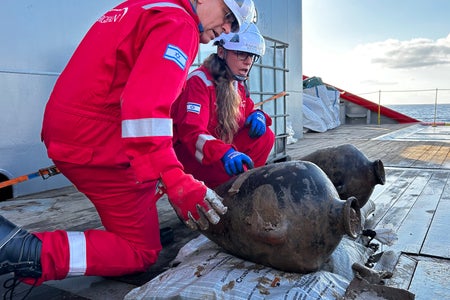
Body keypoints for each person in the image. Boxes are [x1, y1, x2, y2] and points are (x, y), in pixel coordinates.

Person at [0, 0, 256, 287]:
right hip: (98, 140)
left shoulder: (144, 7)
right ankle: (25, 250)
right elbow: (144, 109)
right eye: (228, 17)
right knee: (140, 250)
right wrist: (175, 179)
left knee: (151, 186)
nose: (225, 29)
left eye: (233, 26)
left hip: (72, 128)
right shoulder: (179, 23)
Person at [171, 22, 275, 188]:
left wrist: (259, 115)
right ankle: (217, 190)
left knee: (265, 136)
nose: (248, 62)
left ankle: (240, 185)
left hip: (217, 153)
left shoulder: (236, 84)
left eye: (251, 56)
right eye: (241, 53)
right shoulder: (199, 81)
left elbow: (248, 110)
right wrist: (224, 153)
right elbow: (192, 133)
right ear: (221, 52)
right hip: (194, 157)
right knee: (229, 167)